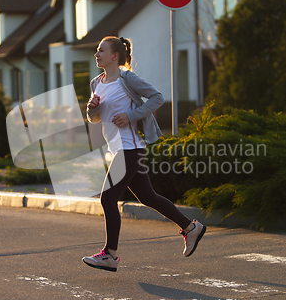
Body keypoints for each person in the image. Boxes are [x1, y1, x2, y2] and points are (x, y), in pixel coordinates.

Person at [82, 36, 206, 272]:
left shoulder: (126, 78)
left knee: (107, 199)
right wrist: (92, 108)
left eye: (101, 50)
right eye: (97, 51)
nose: (97, 54)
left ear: (114, 56)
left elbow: (157, 98)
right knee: (147, 197)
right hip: (121, 148)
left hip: (130, 147)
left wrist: (131, 116)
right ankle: (191, 227)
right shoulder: (96, 83)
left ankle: (110, 254)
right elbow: (94, 118)